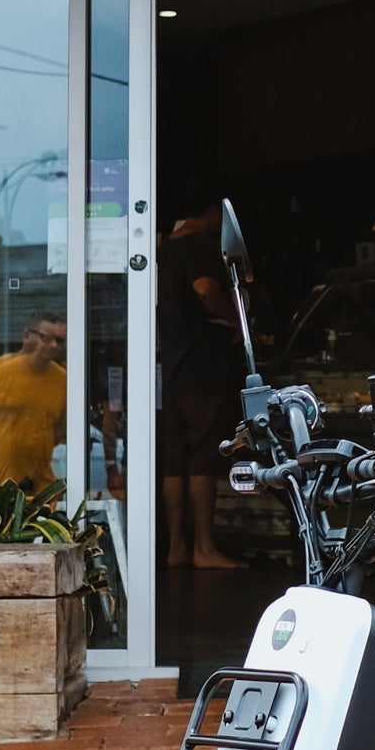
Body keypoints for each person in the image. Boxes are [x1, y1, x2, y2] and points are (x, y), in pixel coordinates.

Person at [158, 200, 246, 569]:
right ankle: (205, 549)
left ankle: (177, 548)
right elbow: (206, 287)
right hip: (200, 364)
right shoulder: (199, 244)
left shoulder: (161, 248)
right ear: (210, 212)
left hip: (166, 366)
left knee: (174, 459)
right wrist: (237, 321)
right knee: (205, 455)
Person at [0, 314, 68, 488]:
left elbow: (60, 428)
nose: (54, 345)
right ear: (26, 336)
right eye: (46, 338)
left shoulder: (63, 380)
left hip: (41, 484)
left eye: (60, 340)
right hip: (0, 482)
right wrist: (6, 438)